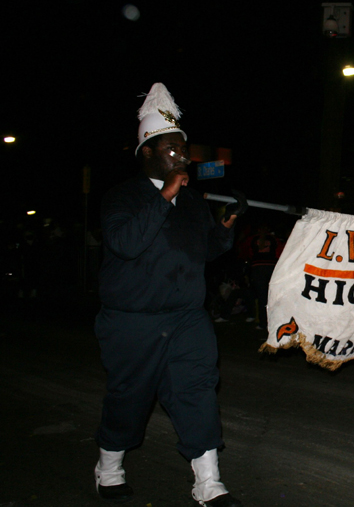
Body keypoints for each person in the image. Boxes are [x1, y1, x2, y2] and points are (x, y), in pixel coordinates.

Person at [93, 84, 244, 506]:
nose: (183, 156)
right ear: (146, 151)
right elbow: (125, 243)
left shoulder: (192, 202)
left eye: (184, 149)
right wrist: (166, 196)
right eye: (172, 148)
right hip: (132, 320)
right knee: (130, 397)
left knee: (196, 389)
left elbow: (206, 252)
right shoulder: (121, 197)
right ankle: (108, 466)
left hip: (185, 318)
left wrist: (227, 226)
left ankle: (208, 481)